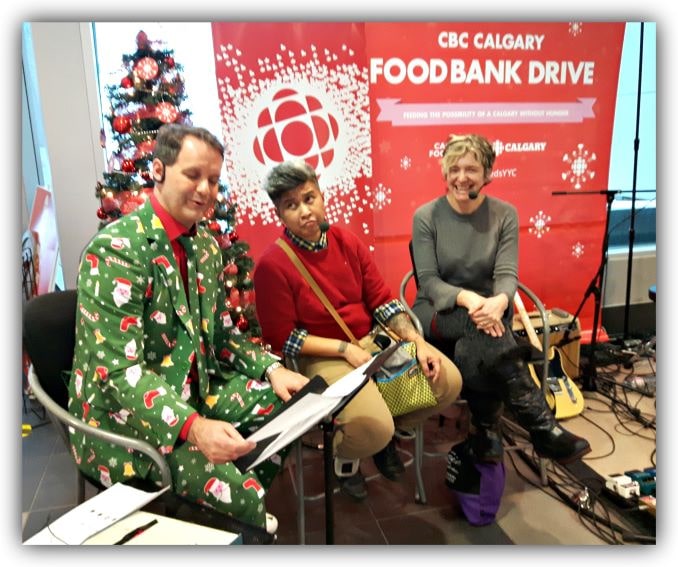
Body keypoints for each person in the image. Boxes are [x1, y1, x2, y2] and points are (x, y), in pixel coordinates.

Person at [67, 124, 308, 532]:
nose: (205, 190)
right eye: (193, 175)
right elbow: (118, 375)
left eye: (213, 180)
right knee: (244, 496)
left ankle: (214, 517)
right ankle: (232, 513)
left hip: (193, 397)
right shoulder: (115, 251)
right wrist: (194, 429)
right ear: (158, 170)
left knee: (286, 408)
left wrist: (273, 369)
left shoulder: (205, 248)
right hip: (120, 424)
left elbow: (223, 336)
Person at [253, 160, 463, 501]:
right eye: (291, 205)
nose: (305, 211)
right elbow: (284, 339)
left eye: (309, 198)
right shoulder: (272, 265)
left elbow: (382, 301)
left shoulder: (346, 241)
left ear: (322, 196)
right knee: (371, 428)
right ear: (279, 213)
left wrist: (417, 341)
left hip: (373, 344)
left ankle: (386, 434)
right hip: (322, 356)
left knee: (447, 381)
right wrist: (343, 349)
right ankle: (348, 456)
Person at [411, 133, 591, 465]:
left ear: (488, 174)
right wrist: (468, 299)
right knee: (483, 330)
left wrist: (500, 301)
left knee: (474, 344)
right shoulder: (426, 216)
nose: (461, 177)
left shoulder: (505, 214)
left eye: (471, 169)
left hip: (489, 312)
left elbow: (507, 274)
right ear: (444, 172)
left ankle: (486, 433)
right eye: (454, 168)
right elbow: (428, 282)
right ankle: (541, 427)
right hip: (438, 309)